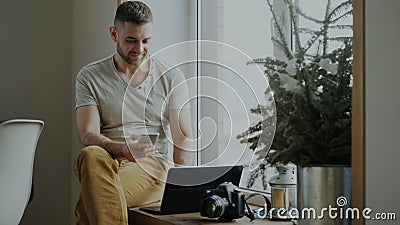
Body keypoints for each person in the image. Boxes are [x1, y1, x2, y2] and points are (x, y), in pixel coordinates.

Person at [73, 1, 195, 224]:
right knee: (90, 155)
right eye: (131, 40)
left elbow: (182, 138)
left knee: (89, 201)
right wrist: (121, 149)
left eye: (145, 41)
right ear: (113, 34)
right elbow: (87, 135)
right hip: (105, 160)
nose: (139, 48)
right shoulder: (89, 76)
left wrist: (181, 189)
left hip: (150, 164)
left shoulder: (170, 76)